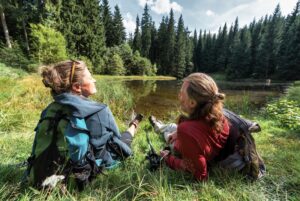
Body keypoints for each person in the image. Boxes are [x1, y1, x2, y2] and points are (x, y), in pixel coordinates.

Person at [25, 60, 143, 189]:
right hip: (84, 171)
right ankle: (134, 124)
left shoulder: (50, 109)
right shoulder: (100, 110)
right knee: (125, 138)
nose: (94, 80)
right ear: (77, 87)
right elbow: (113, 139)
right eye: (90, 77)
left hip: (41, 171)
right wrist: (128, 153)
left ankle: (134, 123)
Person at [150, 73, 230, 181]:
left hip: (185, 146)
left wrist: (167, 158)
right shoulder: (216, 112)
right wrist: (178, 133)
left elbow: (200, 174)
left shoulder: (186, 130)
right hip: (189, 141)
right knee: (172, 128)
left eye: (182, 93)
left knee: (168, 132)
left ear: (192, 103)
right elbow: (201, 132)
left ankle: (157, 126)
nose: (179, 96)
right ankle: (158, 125)